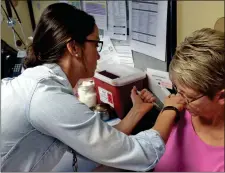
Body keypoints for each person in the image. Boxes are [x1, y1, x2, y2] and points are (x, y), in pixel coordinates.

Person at [1, 3, 185, 172]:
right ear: (74, 48)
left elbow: (101, 144)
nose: (98, 56)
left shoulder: (37, 84)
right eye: (96, 44)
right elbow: (141, 155)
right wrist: (169, 109)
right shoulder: (46, 96)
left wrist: (136, 111)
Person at [154, 28, 225, 172]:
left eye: (190, 97)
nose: (179, 99)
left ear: (221, 97)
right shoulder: (176, 111)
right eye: (177, 90)